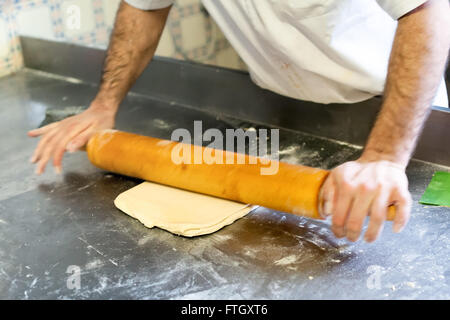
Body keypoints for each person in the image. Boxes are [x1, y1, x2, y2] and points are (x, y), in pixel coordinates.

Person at [28, 0, 450, 242]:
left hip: (395, 117)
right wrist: (104, 105)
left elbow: (428, 11)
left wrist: (384, 156)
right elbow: (144, 7)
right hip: (279, 107)